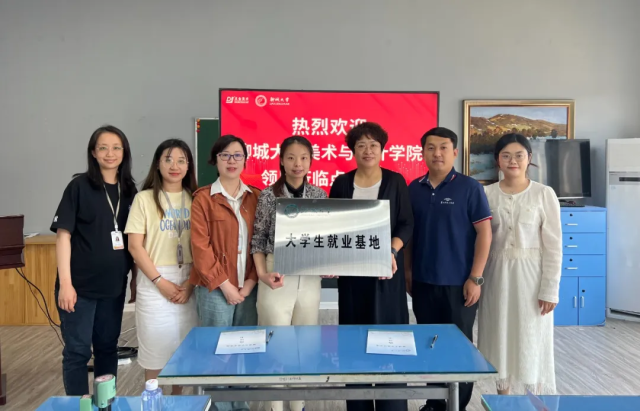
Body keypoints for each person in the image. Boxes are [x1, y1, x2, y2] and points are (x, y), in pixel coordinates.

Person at [406, 127, 492, 411]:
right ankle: (434, 402)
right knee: (429, 344)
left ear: (455, 152)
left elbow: (485, 233)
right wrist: (408, 272)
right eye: (430, 148)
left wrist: (476, 277)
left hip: (459, 284)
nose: (437, 153)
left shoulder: (469, 187)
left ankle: (457, 405)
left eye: (443, 147)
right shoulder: (413, 189)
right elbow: (409, 236)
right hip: (423, 282)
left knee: (459, 347)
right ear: (423, 153)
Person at [329, 122, 414, 411]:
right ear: (353, 150)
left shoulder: (395, 181)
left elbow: (406, 223)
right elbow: (332, 226)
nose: (368, 150)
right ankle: (359, 405)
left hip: (385, 274)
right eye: (361, 145)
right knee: (354, 342)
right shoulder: (341, 183)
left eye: (373, 145)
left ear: (382, 149)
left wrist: (391, 250)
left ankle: (393, 405)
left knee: (389, 340)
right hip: (352, 279)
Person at [51, 125, 137, 395]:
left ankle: (104, 403)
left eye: (116, 148)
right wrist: (66, 284)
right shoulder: (78, 186)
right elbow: (63, 236)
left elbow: (135, 240)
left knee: (107, 348)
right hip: (79, 288)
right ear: (93, 152)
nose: (110, 153)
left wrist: (134, 280)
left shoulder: (130, 190)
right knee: (77, 351)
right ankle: (78, 406)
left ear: (124, 152)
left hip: (113, 288)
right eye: (103, 148)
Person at [477, 133, 562, 395]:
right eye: (506, 156)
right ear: (497, 160)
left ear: (529, 158)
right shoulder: (486, 194)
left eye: (518, 155)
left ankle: (532, 400)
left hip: (532, 277)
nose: (512, 161)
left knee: (531, 337)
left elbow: (553, 246)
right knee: (500, 334)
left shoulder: (543, 194)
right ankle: (502, 400)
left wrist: (550, 289)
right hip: (496, 275)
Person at [251, 135, 327, 411]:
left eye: (304, 158)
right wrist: (262, 274)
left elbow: (325, 239)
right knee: (275, 341)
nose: (298, 164)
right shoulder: (268, 195)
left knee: (304, 343)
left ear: (311, 162)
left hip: (309, 276)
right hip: (276, 274)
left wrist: (328, 265)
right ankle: (274, 406)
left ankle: (298, 404)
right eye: (291, 158)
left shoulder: (319, 195)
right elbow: (258, 240)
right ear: (282, 161)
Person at [190, 135, 261, 411]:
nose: (231, 161)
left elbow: (260, 243)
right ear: (215, 160)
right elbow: (200, 247)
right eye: (225, 155)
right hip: (215, 289)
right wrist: (225, 285)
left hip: (248, 289)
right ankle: (220, 407)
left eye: (237, 155)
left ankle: (241, 406)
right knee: (217, 352)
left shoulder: (256, 197)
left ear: (245, 160)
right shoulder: (203, 199)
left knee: (244, 350)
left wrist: (250, 282)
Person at [125, 139, 198, 394]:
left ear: (188, 166)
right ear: (158, 164)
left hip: (190, 278)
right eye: (168, 160)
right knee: (155, 353)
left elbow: (205, 246)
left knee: (184, 351)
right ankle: (154, 403)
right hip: (154, 278)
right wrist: (160, 281)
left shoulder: (197, 198)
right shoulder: (144, 199)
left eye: (181, 160)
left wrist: (191, 283)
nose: (174, 166)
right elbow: (135, 246)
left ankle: (177, 403)